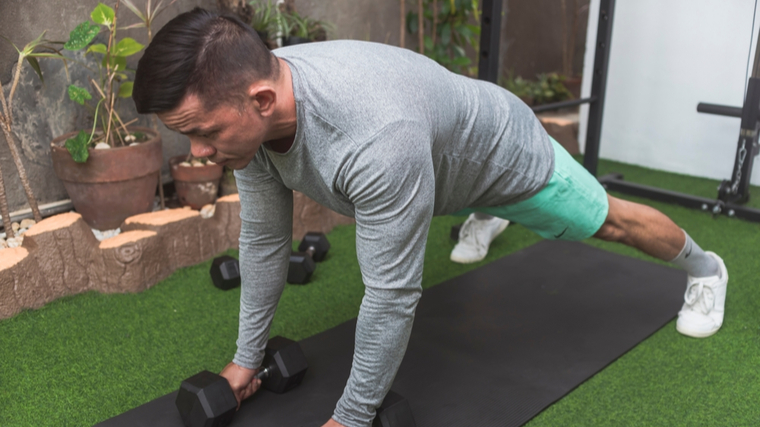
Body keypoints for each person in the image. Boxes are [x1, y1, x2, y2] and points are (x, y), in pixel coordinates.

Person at [132, 9, 728, 427]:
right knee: (419, 189)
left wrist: (352, 416)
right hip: (431, 163)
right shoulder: (250, 98)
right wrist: (244, 360)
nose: (198, 154)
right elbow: (263, 241)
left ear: (261, 100)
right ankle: (481, 217)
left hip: (501, 158)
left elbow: (391, 297)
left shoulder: (374, 139)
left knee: (607, 221)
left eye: (202, 135)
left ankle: (707, 269)